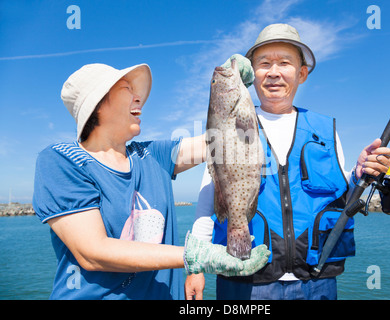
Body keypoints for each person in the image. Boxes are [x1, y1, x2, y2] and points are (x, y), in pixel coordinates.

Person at [185, 23, 390, 300]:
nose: (273, 72)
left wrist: (359, 172)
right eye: (264, 63)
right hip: (246, 280)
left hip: (317, 279)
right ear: (251, 73)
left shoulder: (323, 128)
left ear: (302, 73)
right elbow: (211, 191)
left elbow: (340, 191)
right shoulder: (229, 120)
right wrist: (195, 265)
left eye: (284, 63)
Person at [32, 63, 270, 300]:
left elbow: (224, 139)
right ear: (97, 105)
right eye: (126, 88)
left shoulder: (151, 155)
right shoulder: (62, 160)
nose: (139, 98)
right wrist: (195, 256)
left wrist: (231, 79)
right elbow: (93, 252)